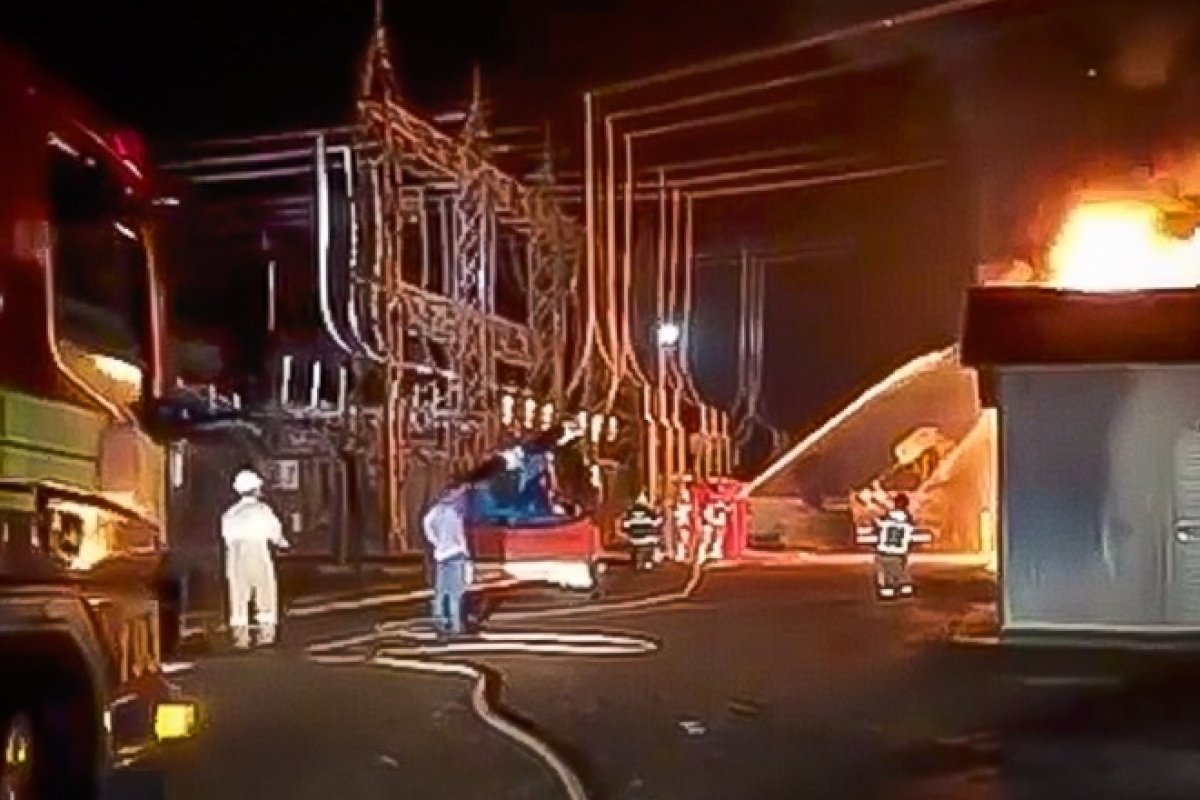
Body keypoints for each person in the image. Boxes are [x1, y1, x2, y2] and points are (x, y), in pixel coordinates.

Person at [221, 469, 289, 649]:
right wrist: (283, 543)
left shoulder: (231, 513)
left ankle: (240, 638)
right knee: (265, 592)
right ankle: (266, 635)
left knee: (238, 595)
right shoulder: (263, 510)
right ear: (256, 489)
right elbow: (275, 533)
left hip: (235, 555)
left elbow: (226, 536)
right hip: (257, 551)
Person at [423, 481, 473, 638]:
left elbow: (426, 525)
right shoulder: (455, 513)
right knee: (454, 593)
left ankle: (440, 622)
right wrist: (467, 556)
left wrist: (435, 541)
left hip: (441, 555)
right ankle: (455, 626)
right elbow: (460, 536)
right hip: (456, 554)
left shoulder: (435, 511)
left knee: (441, 591)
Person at [874, 493, 917, 599]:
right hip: (900, 553)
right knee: (901, 571)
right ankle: (905, 589)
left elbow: (877, 528)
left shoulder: (886, 519)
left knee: (886, 573)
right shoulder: (908, 521)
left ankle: (887, 591)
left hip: (884, 552)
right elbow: (909, 536)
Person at [621, 492, 664, 570]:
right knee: (658, 540)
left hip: (634, 540)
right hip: (647, 540)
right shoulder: (649, 512)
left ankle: (638, 560)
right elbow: (656, 523)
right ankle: (655, 558)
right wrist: (660, 516)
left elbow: (625, 525)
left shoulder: (629, 513)